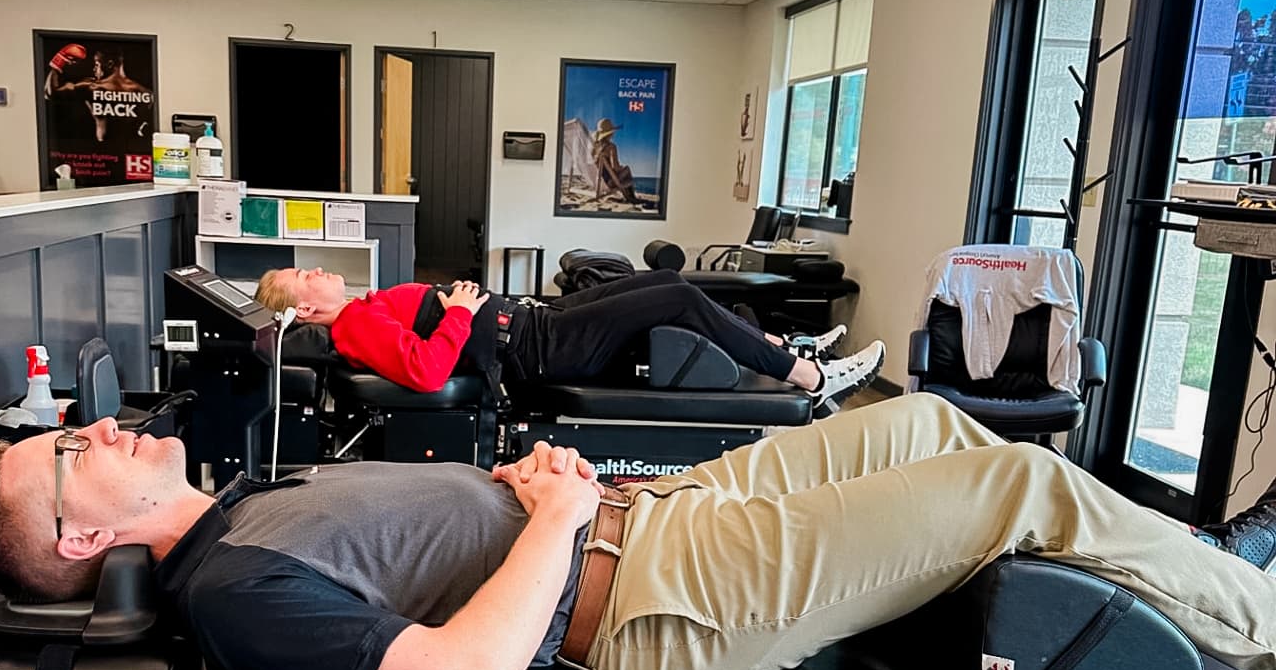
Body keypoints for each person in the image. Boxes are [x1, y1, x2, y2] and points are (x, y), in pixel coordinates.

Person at [0, 397, 1276, 670]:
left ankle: (1191, 570)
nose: (100, 428)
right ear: (83, 537)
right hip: (655, 595)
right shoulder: (235, 591)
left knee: (929, 425)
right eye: (72, 452)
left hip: (652, 514)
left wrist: (545, 490)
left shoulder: (240, 514)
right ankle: (1254, 612)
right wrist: (553, 517)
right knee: (1014, 480)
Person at [253, 263, 884, 405]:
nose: (316, 268)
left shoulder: (364, 307)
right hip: (539, 348)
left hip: (537, 320)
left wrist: (453, 305)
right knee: (677, 296)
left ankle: (780, 349)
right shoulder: (355, 325)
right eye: (302, 276)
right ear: (304, 312)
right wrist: (460, 312)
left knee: (662, 278)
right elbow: (425, 370)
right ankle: (810, 376)